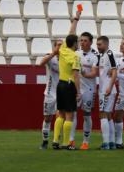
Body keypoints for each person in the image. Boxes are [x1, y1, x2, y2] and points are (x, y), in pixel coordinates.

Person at [52, 11, 81, 150]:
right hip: (69, 86)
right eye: (78, 41)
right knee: (70, 115)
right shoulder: (75, 57)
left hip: (60, 84)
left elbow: (71, 32)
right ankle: (66, 143)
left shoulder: (63, 49)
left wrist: (76, 18)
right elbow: (76, 75)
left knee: (60, 113)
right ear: (75, 44)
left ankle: (55, 141)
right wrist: (78, 92)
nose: (79, 43)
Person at [69, 32, 99, 150]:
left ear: (91, 42)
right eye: (81, 40)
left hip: (89, 89)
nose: (82, 42)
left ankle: (85, 142)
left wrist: (82, 72)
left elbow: (94, 73)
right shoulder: (76, 53)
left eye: (85, 40)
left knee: (86, 115)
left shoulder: (95, 56)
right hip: (76, 88)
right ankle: (71, 140)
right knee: (73, 113)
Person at [39, 40, 62, 149]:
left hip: (61, 92)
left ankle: (56, 141)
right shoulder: (50, 57)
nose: (60, 47)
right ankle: (44, 141)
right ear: (54, 46)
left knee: (59, 117)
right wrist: (54, 53)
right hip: (49, 92)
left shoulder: (66, 59)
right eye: (58, 45)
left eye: (62, 45)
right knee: (47, 118)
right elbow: (41, 63)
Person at [97, 36, 118, 150]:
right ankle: (111, 142)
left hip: (107, 90)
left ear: (106, 44)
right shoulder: (102, 56)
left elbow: (115, 71)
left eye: (100, 44)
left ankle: (106, 143)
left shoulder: (109, 54)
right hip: (105, 89)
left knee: (103, 114)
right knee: (108, 116)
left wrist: (109, 87)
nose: (98, 46)